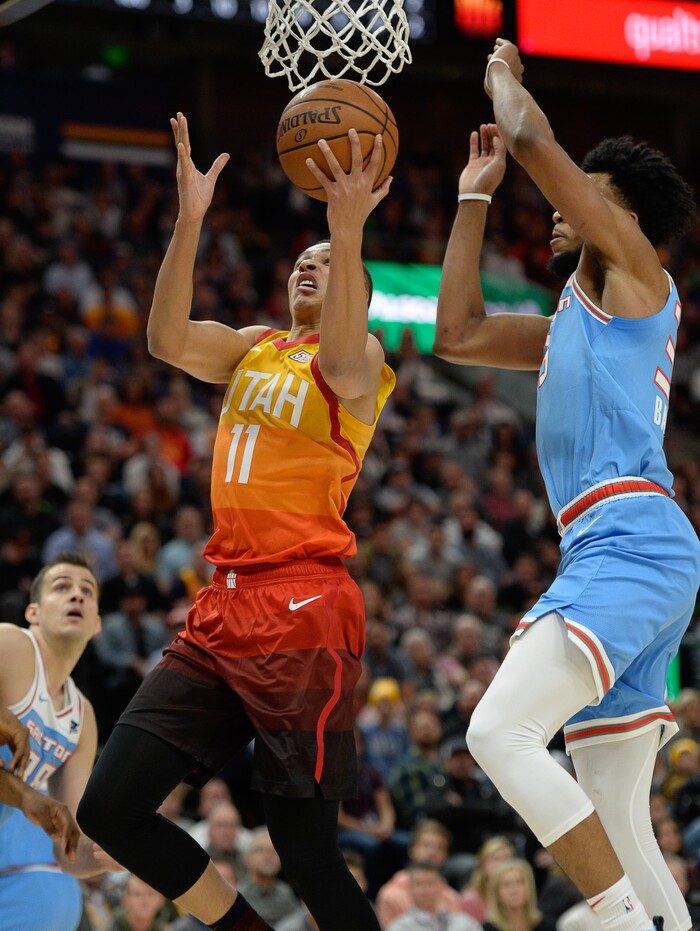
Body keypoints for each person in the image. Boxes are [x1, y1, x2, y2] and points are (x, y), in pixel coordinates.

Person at [78, 112, 395, 931]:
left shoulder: (360, 372)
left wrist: (346, 230)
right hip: (222, 607)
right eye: (302, 260)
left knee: (307, 850)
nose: (309, 268)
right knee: (109, 808)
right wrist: (188, 222)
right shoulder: (255, 346)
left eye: (326, 264)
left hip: (303, 607)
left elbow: (344, 351)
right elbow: (165, 337)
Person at [433, 37, 700, 931]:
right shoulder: (565, 326)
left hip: (630, 537)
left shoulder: (637, 273)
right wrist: (473, 200)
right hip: (624, 547)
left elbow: (532, 140)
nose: (555, 211)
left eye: (586, 194)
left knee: (496, 733)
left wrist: (503, 76)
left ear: (618, 212)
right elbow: (458, 334)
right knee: (620, 816)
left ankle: (619, 922)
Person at [0, 552, 119, 931]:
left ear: (97, 623)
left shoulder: (81, 718)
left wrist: (110, 855)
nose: (77, 596)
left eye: (87, 591)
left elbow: (69, 850)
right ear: (33, 612)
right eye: (62, 587)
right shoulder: (12, 644)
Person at [385, 861, 483, 931]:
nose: (425, 889)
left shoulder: (464, 923)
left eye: (430, 883)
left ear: (440, 886)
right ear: (410, 889)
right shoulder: (400, 928)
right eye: (419, 884)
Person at [482, 859, 554, 931]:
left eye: (520, 882)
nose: (514, 890)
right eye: (507, 885)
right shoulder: (487, 929)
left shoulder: (546, 926)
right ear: (496, 892)